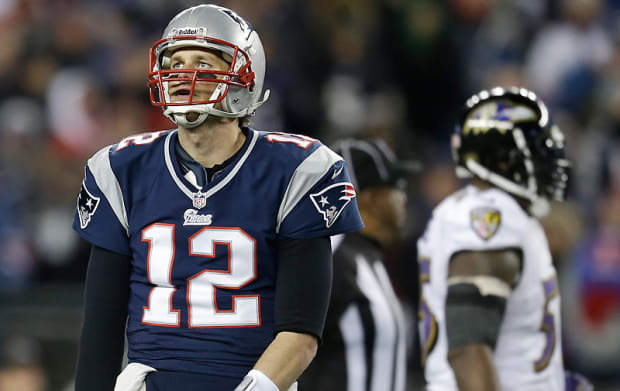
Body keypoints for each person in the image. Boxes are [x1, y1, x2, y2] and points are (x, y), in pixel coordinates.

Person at [72, 5, 364, 391]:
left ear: (245, 77)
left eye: (202, 62)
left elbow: (301, 332)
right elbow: (100, 329)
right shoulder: (121, 169)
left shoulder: (298, 170)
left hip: (253, 382)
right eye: (175, 61)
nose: (181, 74)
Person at [417, 87, 583, 390]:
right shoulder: (489, 216)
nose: (549, 160)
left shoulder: (494, 213)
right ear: (503, 160)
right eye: (537, 150)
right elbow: (468, 347)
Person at [298, 138, 416, 391]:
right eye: (396, 187)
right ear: (370, 198)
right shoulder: (335, 259)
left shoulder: (366, 256)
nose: (404, 198)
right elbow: (287, 345)